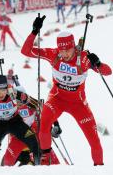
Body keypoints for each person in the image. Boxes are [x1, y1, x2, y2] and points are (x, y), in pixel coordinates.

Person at [21, 15, 112, 165]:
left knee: (94, 140)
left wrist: (99, 63)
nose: (64, 54)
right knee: (44, 122)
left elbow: (108, 72)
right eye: (61, 50)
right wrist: (34, 31)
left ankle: (99, 168)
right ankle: (45, 159)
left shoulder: (83, 58)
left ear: (73, 46)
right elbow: (26, 51)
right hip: (57, 99)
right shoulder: (53, 54)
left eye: (67, 50)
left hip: (79, 104)